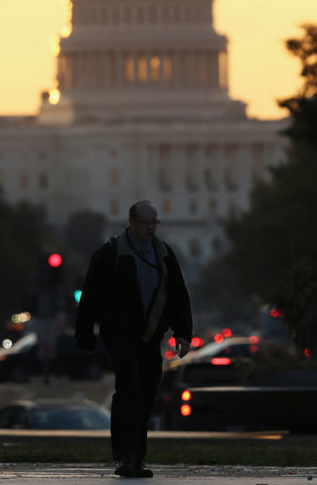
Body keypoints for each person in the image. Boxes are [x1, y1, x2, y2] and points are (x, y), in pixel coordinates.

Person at [75, 200, 193, 478]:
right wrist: (85, 336)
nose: (151, 228)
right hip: (119, 335)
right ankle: (125, 457)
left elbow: (177, 294)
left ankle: (137, 458)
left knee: (147, 394)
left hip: (150, 337)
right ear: (131, 222)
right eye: (146, 223)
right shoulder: (111, 253)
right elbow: (90, 295)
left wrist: (183, 333)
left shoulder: (163, 254)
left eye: (155, 222)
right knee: (129, 389)